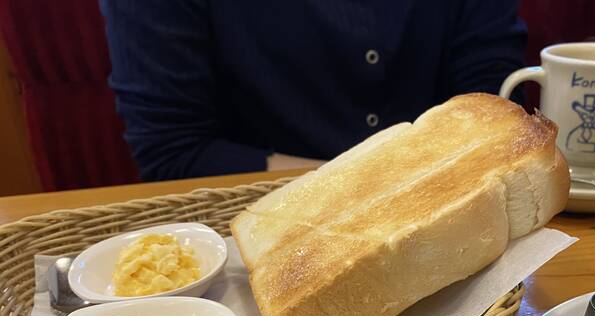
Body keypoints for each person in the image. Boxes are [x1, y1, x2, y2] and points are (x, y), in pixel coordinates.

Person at [99, 1, 527, 181]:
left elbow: (492, 116)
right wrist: (369, 187)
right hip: (241, 238)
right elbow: (173, 151)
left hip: (458, 239)